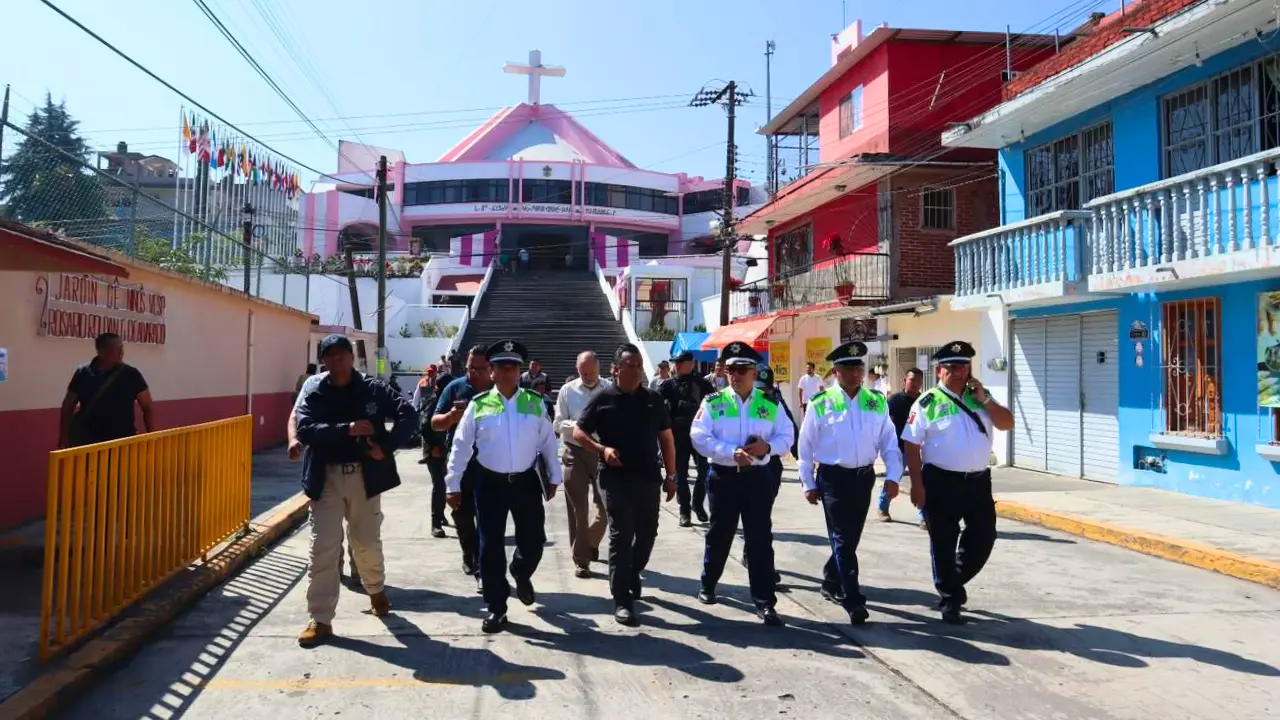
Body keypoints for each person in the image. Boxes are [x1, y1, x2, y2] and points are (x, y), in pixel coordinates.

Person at [293, 334, 416, 647]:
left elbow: (409, 414)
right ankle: (320, 619)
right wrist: (345, 430)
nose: (336, 360)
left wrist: (385, 448)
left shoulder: (373, 389)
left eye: (341, 354)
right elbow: (305, 428)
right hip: (326, 479)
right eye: (330, 355)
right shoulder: (316, 391)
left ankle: (376, 591)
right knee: (323, 547)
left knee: (366, 542)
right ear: (324, 360)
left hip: (364, 477)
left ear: (351, 357)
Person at [445, 340, 562, 633]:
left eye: (513, 367)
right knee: (490, 547)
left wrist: (554, 476)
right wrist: (453, 483)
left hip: (525, 481)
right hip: (489, 483)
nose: (508, 372)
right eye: (501, 367)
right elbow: (460, 447)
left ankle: (521, 572)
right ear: (492, 372)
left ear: (520, 371)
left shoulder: (534, 403)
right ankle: (497, 607)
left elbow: (548, 443)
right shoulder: (479, 404)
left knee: (534, 540)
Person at [903, 341, 1014, 625]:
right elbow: (912, 444)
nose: (958, 372)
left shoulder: (981, 397)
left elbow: (1007, 423)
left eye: (963, 367)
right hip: (940, 481)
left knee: (984, 537)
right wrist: (917, 484)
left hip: (977, 482)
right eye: (952, 367)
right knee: (943, 541)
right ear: (940, 370)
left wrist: (986, 400)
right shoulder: (927, 402)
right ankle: (950, 599)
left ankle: (952, 580)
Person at [798, 341, 903, 625]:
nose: (856, 373)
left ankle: (832, 579)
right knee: (843, 538)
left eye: (859, 368)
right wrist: (807, 481)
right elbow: (805, 445)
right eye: (849, 368)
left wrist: (893, 476)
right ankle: (853, 598)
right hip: (832, 478)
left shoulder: (876, 401)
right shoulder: (821, 403)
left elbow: (889, 442)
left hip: (863, 477)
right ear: (836, 372)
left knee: (850, 538)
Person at [690, 342, 795, 626]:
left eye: (742, 370)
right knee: (720, 534)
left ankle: (765, 602)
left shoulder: (769, 404)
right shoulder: (714, 402)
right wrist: (728, 451)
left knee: (760, 539)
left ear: (754, 372)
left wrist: (767, 447)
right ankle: (708, 582)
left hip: (757, 479)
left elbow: (787, 436)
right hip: (724, 477)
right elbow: (699, 436)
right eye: (731, 370)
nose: (735, 375)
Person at [572, 344, 677, 626]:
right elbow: (578, 431)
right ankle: (622, 600)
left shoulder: (653, 399)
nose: (636, 370)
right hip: (614, 477)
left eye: (639, 364)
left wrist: (672, 475)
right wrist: (601, 449)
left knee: (647, 534)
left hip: (648, 477)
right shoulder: (602, 398)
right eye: (630, 365)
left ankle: (632, 571)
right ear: (615, 369)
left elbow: (667, 438)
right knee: (621, 533)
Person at [431, 345, 492, 587]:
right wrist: (449, 419)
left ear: (491, 369)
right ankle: (469, 553)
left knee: (488, 518)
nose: (475, 373)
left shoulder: (500, 391)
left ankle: (482, 566)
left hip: (491, 463)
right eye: (470, 368)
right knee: (463, 515)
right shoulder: (454, 388)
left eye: (481, 369)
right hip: (461, 463)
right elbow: (435, 422)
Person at [554, 351, 611, 577]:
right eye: (583, 372)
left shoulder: (609, 389)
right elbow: (558, 424)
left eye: (592, 372)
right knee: (579, 508)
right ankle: (581, 560)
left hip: (601, 451)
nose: (588, 376)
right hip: (574, 451)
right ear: (577, 369)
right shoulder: (567, 391)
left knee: (606, 507)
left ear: (600, 368)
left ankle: (589, 542)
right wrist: (580, 427)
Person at [743, 363, 797, 589]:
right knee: (753, 517)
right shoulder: (744, 401)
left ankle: (761, 563)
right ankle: (755, 557)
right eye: (759, 388)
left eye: (765, 389)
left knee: (762, 517)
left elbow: (791, 432)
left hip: (769, 467)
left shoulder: (777, 404)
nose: (761, 393)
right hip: (743, 467)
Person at [59, 332, 154, 448]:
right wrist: (64, 437)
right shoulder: (83, 373)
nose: (121, 352)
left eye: (121, 348)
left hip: (123, 442)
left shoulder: (131, 375)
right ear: (101, 352)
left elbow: (147, 406)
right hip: (89, 442)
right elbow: (67, 406)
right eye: (116, 349)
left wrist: (151, 436)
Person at [659, 351, 715, 527]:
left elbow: (715, 407)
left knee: (704, 472)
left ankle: (697, 504)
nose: (676, 365)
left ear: (691, 364)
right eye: (675, 363)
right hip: (678, 436)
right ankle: (684, 510)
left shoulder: (703, 384)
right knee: (680, 474)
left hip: (700, 435)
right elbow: (657, 406)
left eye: (680, 363)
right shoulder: (668, 385)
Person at [879, 368, 925, 527]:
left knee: (921, 481)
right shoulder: (894, 400)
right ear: (905, 380)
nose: (915, 383)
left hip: (919, 449)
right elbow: (886, 425)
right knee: (893, 478)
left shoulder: (924, 401)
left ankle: (923, 516)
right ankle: (883, 507)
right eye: (912, 380)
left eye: (918, 381)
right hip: (898, 448)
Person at [420, 373, 453, 538]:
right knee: (439, 485)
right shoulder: (433, 402)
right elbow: (424, 426)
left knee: (446, 484)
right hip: (434, 450)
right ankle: (436, 523)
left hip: (446, 448)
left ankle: (441, 514)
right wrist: (433, 447)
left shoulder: (449, 401)